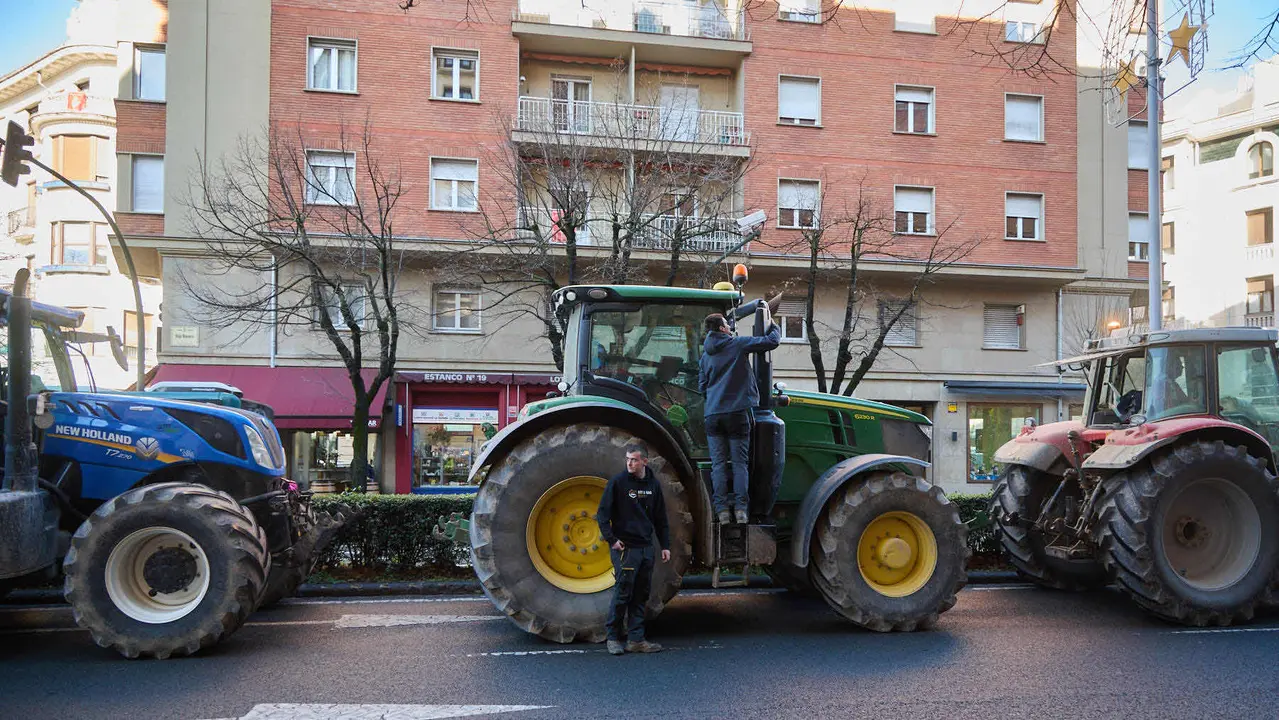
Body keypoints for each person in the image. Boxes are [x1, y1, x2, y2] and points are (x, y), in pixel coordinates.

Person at [698, 309, 780, 525]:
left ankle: (722, 511)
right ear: (723, 328)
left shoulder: (705, 356)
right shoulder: (737, 344)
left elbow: (702, 387)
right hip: (737, 414)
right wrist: (774, 325)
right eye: (727, 324)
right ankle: (741, 510)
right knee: (739, 463)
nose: (729, 328)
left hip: (712, 415)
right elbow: (770, 341)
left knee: (718, 465)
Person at [595, 444, 671, 656]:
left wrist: (665, 546)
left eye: (634, 460)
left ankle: (636, 639)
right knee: (623, 592)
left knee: (641, 594)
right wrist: (612, 540)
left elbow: (661, 519)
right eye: (628, 459)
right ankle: (612, 637)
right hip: (625, 549)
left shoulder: (653, 485)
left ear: (644, 461)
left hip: (646, 549)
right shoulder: (618, 483)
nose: (629, 463)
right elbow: (602, 515)